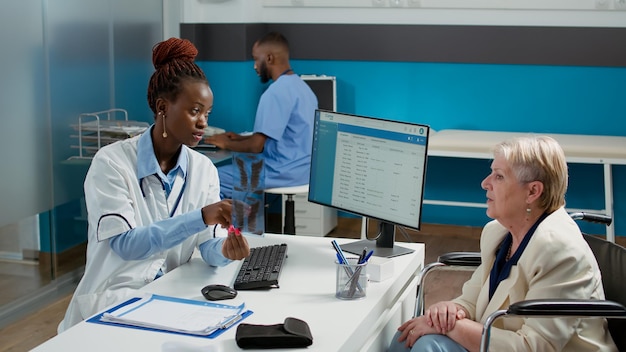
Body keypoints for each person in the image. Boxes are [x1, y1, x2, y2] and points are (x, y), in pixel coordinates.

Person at [58, 37, 250, 332]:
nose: (203, 123)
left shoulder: (203, 170)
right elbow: (126, 245)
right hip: (110, 302)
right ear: (163, 107)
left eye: (207, 113)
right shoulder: (111, 163)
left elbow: (206, 246)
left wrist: (225, 250)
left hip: (167, 299)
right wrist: (201, 216)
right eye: (194, 111)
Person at [388, 136, 617, 352]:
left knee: (424, 345)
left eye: (498, 176)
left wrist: (448, 326)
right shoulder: (498, 233)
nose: (485, 183)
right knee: (406, 339)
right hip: (497, 341)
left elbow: (532, 347)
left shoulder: (560, 251)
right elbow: (471, 301)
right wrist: (447, 311)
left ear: (532, 191)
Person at [205, 32, 318, 198]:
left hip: (282, 172)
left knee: (211, 178)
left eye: (256, 59)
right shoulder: (304, 89)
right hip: (305, 171)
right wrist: (239, 138)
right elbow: (285, 136)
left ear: (269, 58)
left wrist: (226, 143)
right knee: (239, 169)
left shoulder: (275, 92)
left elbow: (256, 146)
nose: (254, 66)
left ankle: (226, 224)